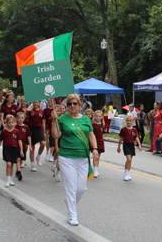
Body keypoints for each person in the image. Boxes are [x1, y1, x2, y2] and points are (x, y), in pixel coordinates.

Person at [51, 94, 98, 226]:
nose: (72, 106)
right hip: (66, 156)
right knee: (71, 187)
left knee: (81, 188)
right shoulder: (61, 119)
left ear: (79, 105)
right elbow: (56, 135)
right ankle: (72, 214)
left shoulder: (85, 119)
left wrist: (95, 149)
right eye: (70, 104)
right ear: (67, 105)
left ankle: (69, 202)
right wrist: (53, 122)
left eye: (75, 103)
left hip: (83, 157)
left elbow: (91, 134)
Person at [0, 115, 24, 187]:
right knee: (8, 164)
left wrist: (21, 150)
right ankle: (7, 179)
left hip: (14, 149)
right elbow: (0, 141)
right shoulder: (4, 131)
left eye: (12, 122)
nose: (11, 124)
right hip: (7, 149)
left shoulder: (16, 131)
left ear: (15, 123)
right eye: (9, 122)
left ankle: (11, 179)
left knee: (12, 164)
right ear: (6, 123)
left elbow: (19, 141)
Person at [117, 115, 142, 180]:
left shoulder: (134, 129)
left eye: (130, 121)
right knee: (129, 159)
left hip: (132, 145)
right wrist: (119, 147)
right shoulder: (123, 129)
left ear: (133, 122)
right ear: (126, 121)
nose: (129, 122)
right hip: (126, 145)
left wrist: (139, 145)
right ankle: (125, 173)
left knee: (130, 160)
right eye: (128, 120)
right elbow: (120, 138)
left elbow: (136, 137)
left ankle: (128, 173)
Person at [27, 101, 46, 168]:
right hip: (31, 129)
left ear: (39, 103)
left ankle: (38, 156)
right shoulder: (30, 111)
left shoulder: (41, 111)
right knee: (32, 147)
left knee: (43, 143)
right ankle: (32, 165)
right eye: (34, 102)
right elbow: (24, 117)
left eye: (37, 102)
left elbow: (43, 122)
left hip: (39, 129)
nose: (35, 104)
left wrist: (44, 132)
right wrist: (27, 111)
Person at [92, 110, 105, 178]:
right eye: (96, 116)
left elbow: (104, 132)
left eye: (99, 116)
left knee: (98, 156)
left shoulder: (102, 125)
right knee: (95, 156)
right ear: (94, 117)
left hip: (100, 141)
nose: (98, 117)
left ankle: (96, 169)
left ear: (101, 117)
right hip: (95, 142)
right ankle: (94, 170)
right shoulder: (93, 125)